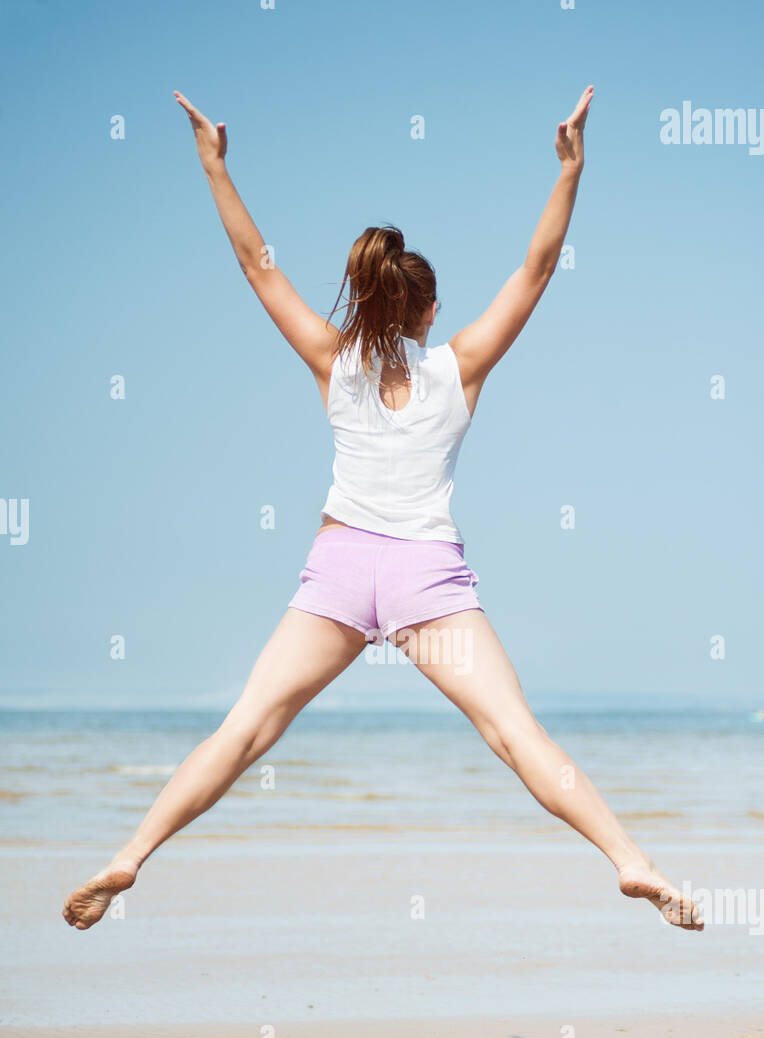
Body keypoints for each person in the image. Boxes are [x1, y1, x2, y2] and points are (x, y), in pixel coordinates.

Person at [62, 84, 702, 933]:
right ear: (429, 313)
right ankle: (630, 860)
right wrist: (570, 170)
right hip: (425, 577)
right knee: (514, 734)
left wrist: (214, 164)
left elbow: (259, 268)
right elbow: (538, 269)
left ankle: (131, 855)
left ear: (366, 303)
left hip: (338, 569)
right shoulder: (460, 364)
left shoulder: (333, 360)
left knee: (245, 731)